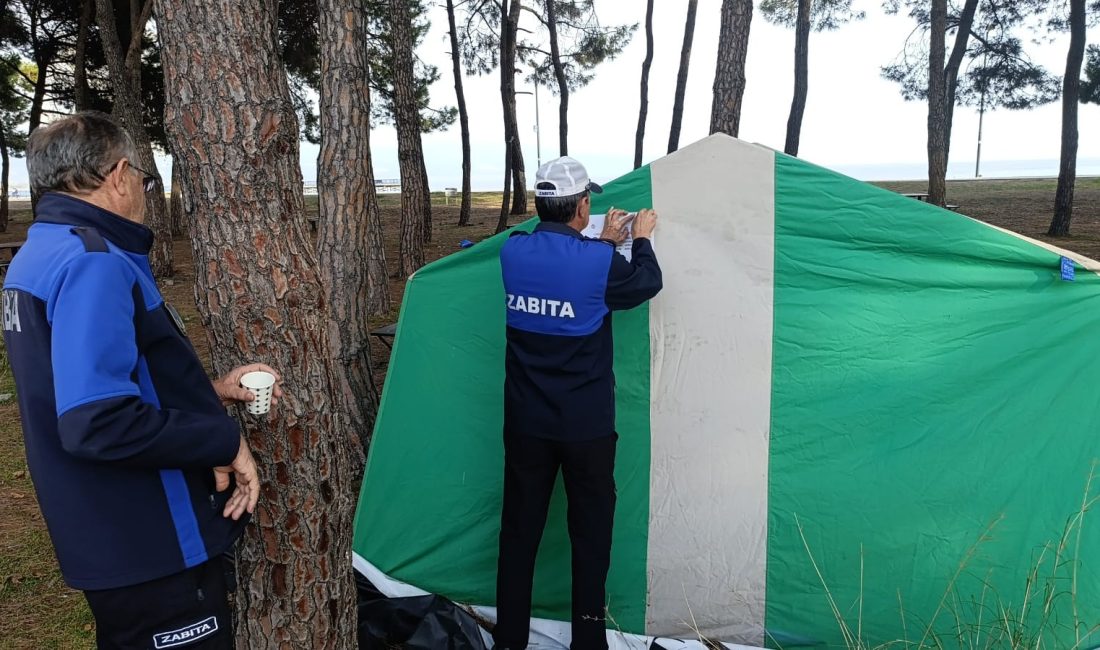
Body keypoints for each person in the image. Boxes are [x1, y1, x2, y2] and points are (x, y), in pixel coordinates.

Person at [1, 111, 281, 649]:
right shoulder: (93, 262)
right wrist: (221, 439)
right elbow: (96, 421)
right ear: (119, 174)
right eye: (145, 179)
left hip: (96, 527)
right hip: (146, 534)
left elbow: (79, 380)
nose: (143, 191)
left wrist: (209, 391)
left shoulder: (39, 251)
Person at [495, 156, 663, 650]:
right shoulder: (599, 263)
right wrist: (642, 237)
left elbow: (568, 270)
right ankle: (589, 642)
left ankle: (508, 641)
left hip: (526, 423)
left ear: (542, 206)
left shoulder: (513, 251)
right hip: (585, 428)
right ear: (583, 205)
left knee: (518, 535)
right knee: (589, 538)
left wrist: (602, 243)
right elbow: (644, 282)